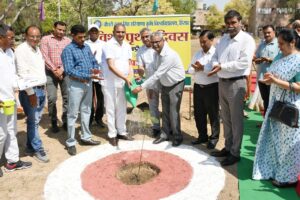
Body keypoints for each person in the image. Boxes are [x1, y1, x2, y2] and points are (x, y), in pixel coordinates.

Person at [253, 29, 300, 188]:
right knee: (276, 141)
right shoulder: (280, 56)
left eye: (281, 44)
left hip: (291, 107)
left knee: (290, 144)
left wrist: (277, 82)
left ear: (292, 43)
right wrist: (268, 81)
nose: (279, 47)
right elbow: (274, 75)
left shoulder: (299, 60)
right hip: (276, 103)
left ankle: (289, 178)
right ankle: (273, 171)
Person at [208, 10, 256, 166]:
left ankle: (235, 153)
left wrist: (222, 66)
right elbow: (215, 56)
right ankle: (228, 148)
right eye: (228, 23)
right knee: (226, 119)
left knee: (236, 121)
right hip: (222, 82)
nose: (230, 26)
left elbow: (243, 63)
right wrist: (217, 65)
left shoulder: (247, 40)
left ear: (240, 22)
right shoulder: (223, 39)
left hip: (237, 83)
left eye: (233, 22)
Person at [132, 31, 185, 147]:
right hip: (164, 83)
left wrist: (141, 86)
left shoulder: (169, 55)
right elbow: (153, 72)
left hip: (175, 84)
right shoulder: (156, 53)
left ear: (163, 41)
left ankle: (177, 136)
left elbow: (157, 74)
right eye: (153, 42)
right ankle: (164, 134)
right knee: (165, 110)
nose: (155, 44)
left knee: (173, 111)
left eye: (157, 42)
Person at [61, 24, 101, 156]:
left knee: (86, 110)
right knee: (72, 114)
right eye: (80, 37)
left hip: (88, 84)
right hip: (75, 85)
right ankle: (71, 142)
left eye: (84, 37)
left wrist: (95, 68)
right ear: (72, 35)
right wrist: (87, 76)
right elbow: (69, 70)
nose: (83, 39)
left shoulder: (86, 47)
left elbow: (93, 60)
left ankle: (86, 137)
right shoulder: (68, 50)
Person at [0, 24, 32, 177]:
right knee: (1, 134)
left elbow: (13, 78)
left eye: (13, 37)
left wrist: (26, 88)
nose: (13, 40)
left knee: (12, 131)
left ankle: (12, 161)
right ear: (0, 38)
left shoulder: (10, 53)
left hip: (9, 100)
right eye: (10, 37)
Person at [15, 25, 49, 163]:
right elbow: (23, 75)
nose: (35, 39)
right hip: (31, 91)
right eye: (32, 36)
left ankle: (29, 147)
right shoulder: (21, 50)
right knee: (33, 121)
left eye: (37, 36)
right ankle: (37, 148)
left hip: (40, 89)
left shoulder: (37, 49)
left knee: (34, 121)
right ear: (25, 36)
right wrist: (31, 93)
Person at [101, 23, 134, 146]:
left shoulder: (127, 45)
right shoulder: (108, 45)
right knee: (110, 108)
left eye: (123, 32)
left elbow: (129, 63)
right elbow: (111, 66)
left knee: (122, 108)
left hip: (123, 82)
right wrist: (125, 77)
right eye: (118, 32)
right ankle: (112, 134)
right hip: (110, 82)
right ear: (113, 32)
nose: (121, 34)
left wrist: (130, 76)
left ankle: (121, 131)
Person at [187, 30, 220, 149]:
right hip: (198, 87)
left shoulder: (216, 53)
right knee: (199, 113)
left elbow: (216, 71)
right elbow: (189, 69)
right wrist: (196, 69)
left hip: (212, 88)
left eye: (204, 42)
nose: (202, 44)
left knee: (213, 114)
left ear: (212, 40)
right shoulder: (197, 54)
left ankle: (214, 138)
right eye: (200, 42)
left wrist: (203, 68)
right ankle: (202, 136)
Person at [40, 21, 71, 133]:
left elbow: (69, 57)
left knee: (67, 97)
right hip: (50, 73)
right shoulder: (45, 39)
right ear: (54, 28)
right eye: (59, 29)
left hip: (65, 72)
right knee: (52, 98)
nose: (61, 32)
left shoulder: (68, 41)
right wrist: (54, 70)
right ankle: (53, 120)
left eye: (63, 30)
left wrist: (61, 69)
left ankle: (65, 120)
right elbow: (44, 56)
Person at [136, 27, 161, 137]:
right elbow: (141, 68)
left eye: (147, 36)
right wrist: (140, 72)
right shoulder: (140, 51)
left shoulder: (159, 46)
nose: (145, 39)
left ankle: (168, 127)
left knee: (166, 105)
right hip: (150, 82)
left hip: (163, 80)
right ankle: (156, 126)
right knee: (152, 105)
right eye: (143, 37)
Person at [253, 25, 280, 115]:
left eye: (269, 32)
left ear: (274, 32)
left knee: (273, 101)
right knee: (265, 100)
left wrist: (268, 59)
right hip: (261, 78)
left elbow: (282, 60)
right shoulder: (261, 44)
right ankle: (265, 122)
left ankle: (273, 124)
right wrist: (259, 59)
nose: (267, 34)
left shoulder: (279, 44)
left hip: (273, 78)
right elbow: (255, 59)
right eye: (265, 33)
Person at [85, 24, 105, 128]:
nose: (94, 33)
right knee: (89, 98)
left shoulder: (104, 44)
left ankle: (99, 118)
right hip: (88, 74)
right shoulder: (84, 44)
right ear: (88, 33)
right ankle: (89, 118)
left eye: (95, 31)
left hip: (100, 73)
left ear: (98, 33)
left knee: (101, 97)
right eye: (92, 31)